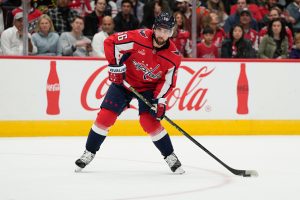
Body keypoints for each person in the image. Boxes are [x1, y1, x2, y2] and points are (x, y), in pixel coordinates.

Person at [75, 12, 185, 174]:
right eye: (160, 30)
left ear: (172, 32)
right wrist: (114, 66)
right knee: (105, 117)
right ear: (154, 28)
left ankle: (170, 156)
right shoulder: (138, 37)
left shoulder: (173, 57)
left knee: (149, 122)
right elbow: (111, 42)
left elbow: (167, 81)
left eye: (167, 31)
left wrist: (160, 100)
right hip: (124, 83)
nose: (163, 35)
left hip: (148, 89)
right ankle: (89, 152)